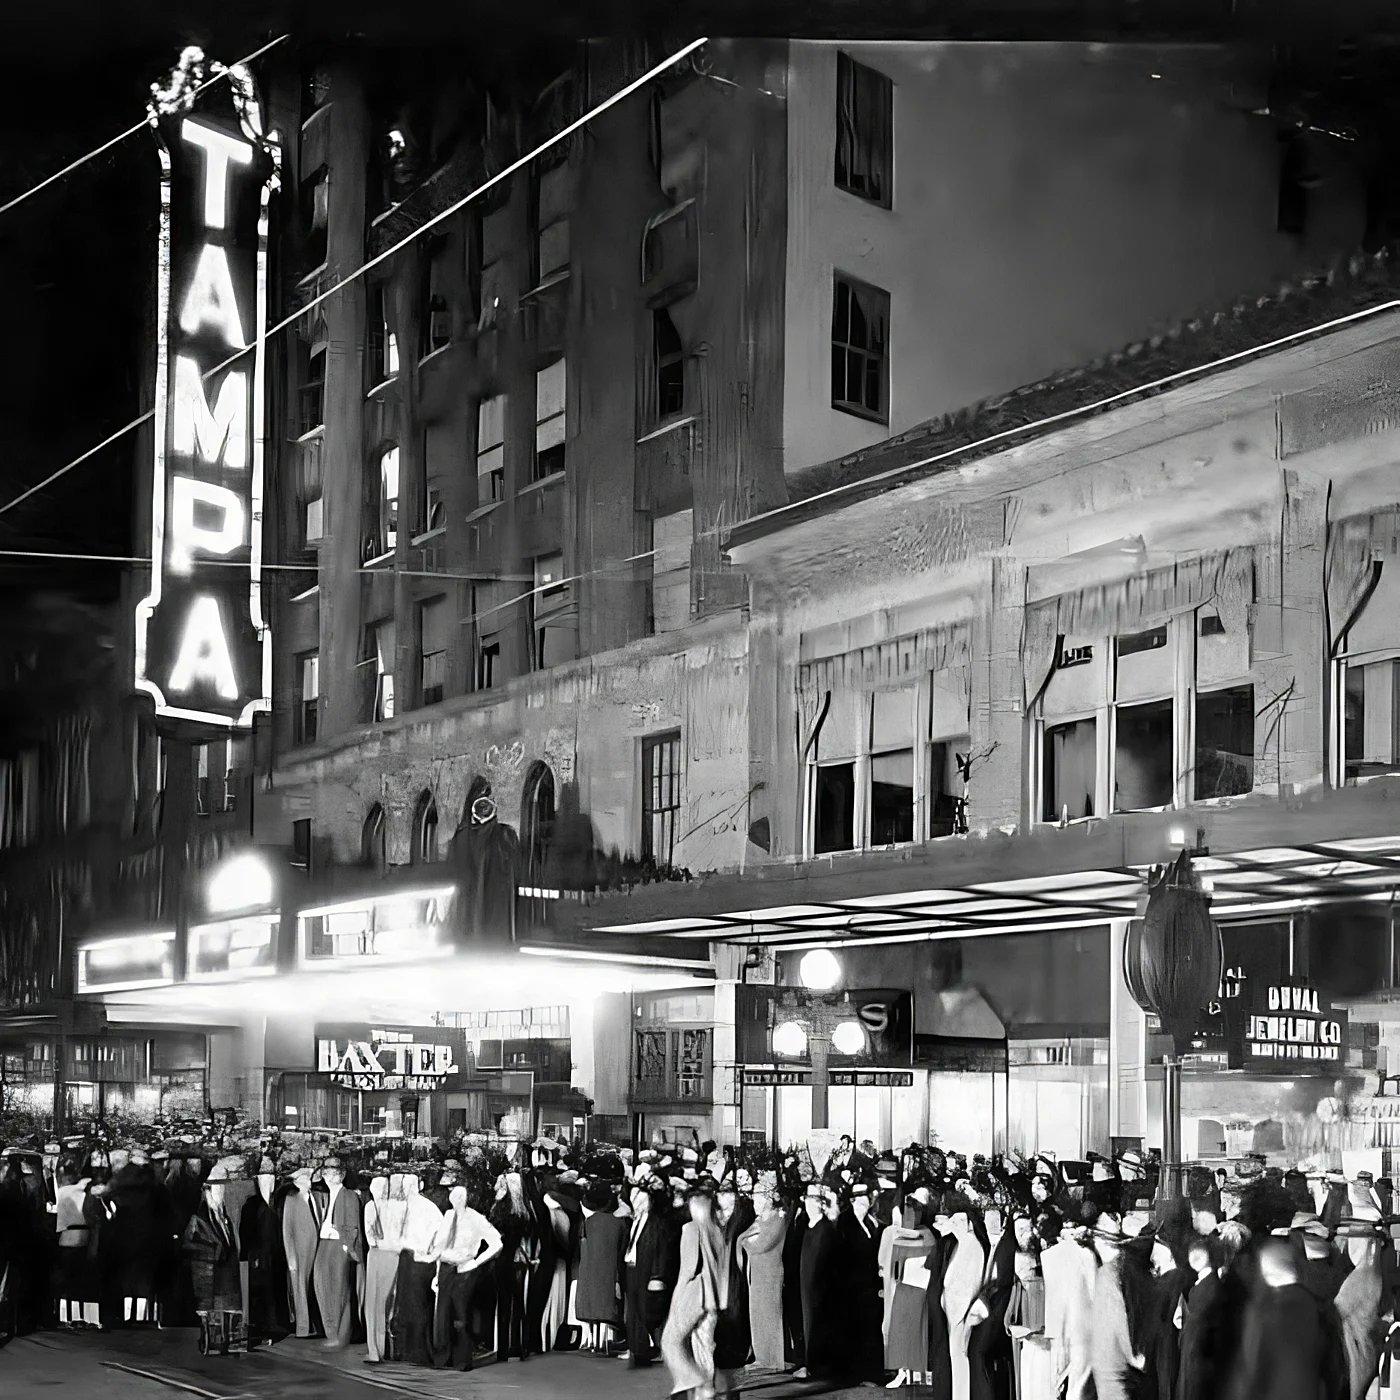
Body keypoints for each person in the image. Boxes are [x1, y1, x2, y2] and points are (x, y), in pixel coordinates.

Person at [1233, 1237, 1347, 1400]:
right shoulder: (1323, 1310)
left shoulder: (1261, 1314)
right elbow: (1335, 1367)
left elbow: (1250, 1373)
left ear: (1267, 1273)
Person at [660, 1183, 728, 1398]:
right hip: (714, 1295)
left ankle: (690, 1380)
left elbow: (688, 1269)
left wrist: (677, 1297)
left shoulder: (690, 1229)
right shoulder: (717, 1229)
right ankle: (705, 1390)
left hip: (695, 1291)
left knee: (670, 1340)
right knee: (704, 1345)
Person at [431, 1182, 504, 1371]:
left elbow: (496, 1243)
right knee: (443, 1314)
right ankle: (442, 1357)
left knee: (461, 1315)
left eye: (460, 1197)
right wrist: (437, 1273)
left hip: (464, 1270)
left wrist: (477, 1262)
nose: (456, 1200)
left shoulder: (476, 1219)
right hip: (446, 1268)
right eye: (454, 1197)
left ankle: (462, 1359)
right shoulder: (447, 1216)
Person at [391, 1173, 443, 1366]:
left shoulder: (425, 1208)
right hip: (410, 1258)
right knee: (410, 1306)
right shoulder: (419, 1207)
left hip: (418, 1259)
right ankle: (410, 1351)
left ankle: (417, 1352)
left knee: (416, 1306)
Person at [312, 1156, 363, 1349]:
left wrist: (346, 1246)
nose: (329, 1176)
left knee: (338, 1291)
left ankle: (338, 1335)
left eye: (333, 1172)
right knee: (323, 1288)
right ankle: (330, 1332)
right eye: (327, 1172)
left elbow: (352, 1224)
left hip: (337, 1246)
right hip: (324, 1244)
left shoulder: (348, 1195)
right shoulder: (325, 1196)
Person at [239, 1156, 290, 1346]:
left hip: (274, 1256)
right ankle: (257, 1329)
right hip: (258, 1257)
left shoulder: (276, 1202)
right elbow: (247, 1232)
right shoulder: (252, 1205)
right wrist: (251, 1254)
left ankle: (273, 1327)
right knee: (259, 1294)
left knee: (274, 1292)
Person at [838, 1181, 886, 1384]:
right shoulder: (845, 1223)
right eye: (866, 1196)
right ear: (855, 1200)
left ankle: (871, 1371)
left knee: (870, 1328)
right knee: (857, 1330)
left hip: (869, 1286)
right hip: (853, 1288)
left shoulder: (871, 1222)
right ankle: (858, 1373)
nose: (870, 1200)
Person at [967, 1206, 1016, 1400]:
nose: (990, 1223)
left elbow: (1001, 1282)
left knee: (978, 1352)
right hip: (992, 1305)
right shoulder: (992, 1243)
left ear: (1003, 1221)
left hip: (998, 1307)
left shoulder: (1006, 1244)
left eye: (994, 1219)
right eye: (987, 1219)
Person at [795, 1183, 842, 1381]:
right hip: (807, 1286)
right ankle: (811, 1363)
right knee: (809, 1324)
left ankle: (818, 1366)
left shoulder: (825, 1229)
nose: (807, 1205)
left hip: (820, 1289)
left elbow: (826, 1263)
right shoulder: (808, 1227)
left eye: (811, 1201)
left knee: (818, 1324)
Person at [738, 1180, 787, 1372]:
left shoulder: (777, 1219)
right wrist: (749, 1241)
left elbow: (760, 1244)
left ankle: (773, 1360)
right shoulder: (760, 1220)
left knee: (770, 1314)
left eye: (760, 1196)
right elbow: (742, 1238)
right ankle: (761, 1357)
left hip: (770, 1273)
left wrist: (749, 1242)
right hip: (756, 1273)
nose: (756, 1201)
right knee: (756, 1313)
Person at [182, 1163, 241, 1319]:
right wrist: (211, 1249)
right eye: (217, 1187)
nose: (221, 1191)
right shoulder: (199, 1219)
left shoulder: (225, 1217)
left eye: (222, 1187)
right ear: (208, 1190)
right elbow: (187, 1243)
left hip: (225, 1281)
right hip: (206, 1278)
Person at [942, 1202, 987, 1400]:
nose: (957, 1224)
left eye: (962, 1221)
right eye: (955, 1220)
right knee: (956, 1359)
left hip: (962, 1311)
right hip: (953, 1311)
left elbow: (971, 1283)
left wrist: (960, 1313)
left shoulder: (973, 1246)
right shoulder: (961, 1245)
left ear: (970, 1224)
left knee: (961, 1357)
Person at [491, 1170, 537, 1362]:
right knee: (518, 1304)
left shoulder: (501, 1209)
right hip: (519, 1261)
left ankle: (502, 1348)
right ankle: (518, 1346)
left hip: (503, 1260)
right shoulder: (526, 1211)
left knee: (503, 1305)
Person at [576, 1180, 626, 1351]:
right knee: (606, 1307)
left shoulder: (588, 1222)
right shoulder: (620, 1223)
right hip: (610, 1274)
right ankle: (604, 1342)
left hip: (589, 1273)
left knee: (591, 1308)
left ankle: (592, 1342)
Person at [362, 1173, 404, 1365]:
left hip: (379, 1255)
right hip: (393, 1255)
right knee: (388, 1303)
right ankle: (384, 1349)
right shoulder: (397, 1207)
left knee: (375, 1303)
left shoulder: (372, 1207)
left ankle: (376, 1350)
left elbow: (372, 1239)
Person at [283, 1165, 321, 1339]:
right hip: (300, 1250)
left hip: (316, 1248)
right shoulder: (291, 1200)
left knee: (313, 1287)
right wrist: (291, 1256)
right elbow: (287, 1230)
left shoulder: (316, 1197)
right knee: (300, 1288)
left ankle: (315, 1325)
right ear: (298, 1182)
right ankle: (302, 1327)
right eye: (306, 1178)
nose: (309, 1180)